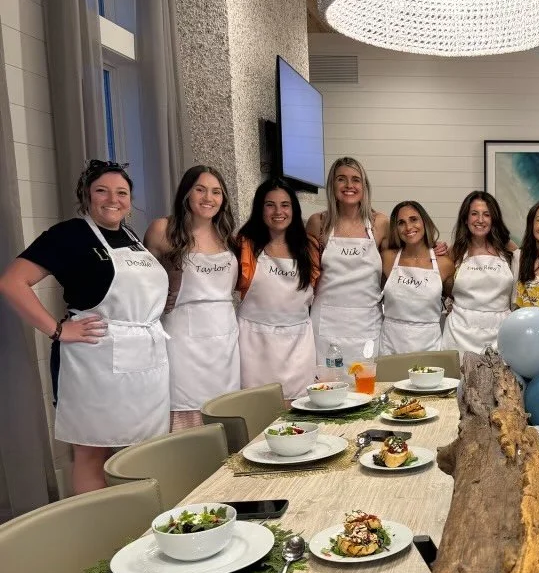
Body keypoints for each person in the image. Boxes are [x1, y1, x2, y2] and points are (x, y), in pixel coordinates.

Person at [0, 160, 169, 494]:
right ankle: (97, 529)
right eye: (101, 191)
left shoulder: (131, 237)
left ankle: (135, 522)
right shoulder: (69, 235)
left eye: (122, 192)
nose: (113, 199)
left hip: (145, 362)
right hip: (93, 361)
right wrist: (58, 330)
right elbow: (12, 282)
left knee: (140, 448)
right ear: (86, 196)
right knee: (93, 450)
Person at [144, 165, 239, 431]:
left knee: (224, 409)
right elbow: (142, 280)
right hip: (183, 339)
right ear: (186, 193)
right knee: (188, 409)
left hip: (225, 339)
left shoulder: (228, 237)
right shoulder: (163, 229)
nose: (208, 198)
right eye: (200, 189)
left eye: (216, 192)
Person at [237, 178, 320, 400]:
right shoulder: (245, 245)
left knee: (300, 413)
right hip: (255, 346)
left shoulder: (309, 247)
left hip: (299, 346)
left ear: (294, 209)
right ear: (259, 209)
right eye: (269, 204)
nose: (278, 211)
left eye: (285, 205)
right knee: (258, 410)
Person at [306, 157, 387, 365]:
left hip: (367, 323)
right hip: (326, 324)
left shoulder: (380, 223)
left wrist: (435, 246)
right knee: (327, 388)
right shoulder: (319, 223)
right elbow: (307, 271)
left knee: (366, 388)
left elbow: (398, 261)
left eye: (355, 180)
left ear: (364, 186)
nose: (349, 186)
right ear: (332, 186)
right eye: (341, 179)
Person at [441, 191, 516, 354]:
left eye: (486, 215)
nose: (480, 220)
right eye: (474, 214)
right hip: (459, 334)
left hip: (501, 333)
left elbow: (537, 261)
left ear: (493, 219)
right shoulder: (456, 251)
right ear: (465, 219)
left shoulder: (508, 249)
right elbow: (436, 283)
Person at [379, 201, 455, 354]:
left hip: (429, 344)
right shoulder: (387, 259)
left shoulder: (444, 264)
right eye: (401, 223)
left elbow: (458, 302)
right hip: (391, 344)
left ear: (424, 222)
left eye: (413, 219)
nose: (408, 227)